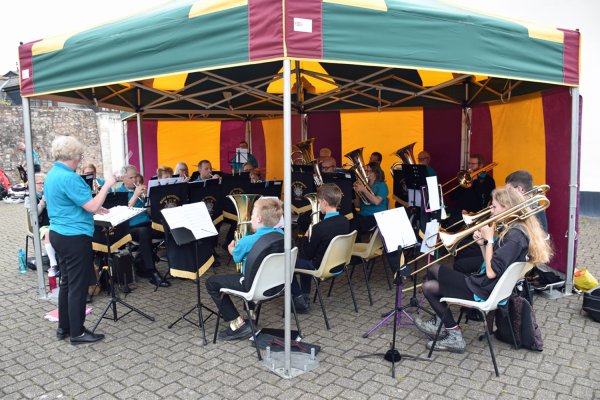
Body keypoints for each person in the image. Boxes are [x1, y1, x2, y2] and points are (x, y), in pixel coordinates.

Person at [414, 186, 553, 353]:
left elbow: (491, 272)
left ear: (507, 207)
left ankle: (449, 331)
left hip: (484, 289)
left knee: (432, 272)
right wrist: (483, 244)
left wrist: (490, 241)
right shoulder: (514, 229)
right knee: (431, 283)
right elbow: (492, 262)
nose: (491, 210)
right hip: (485, 284)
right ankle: (445, 324)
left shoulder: (515, 236)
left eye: (494, 206)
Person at [45, 135, 117, 344]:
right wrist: (108, 184)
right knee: (77, 285)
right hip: (74, 236)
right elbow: (92, 206)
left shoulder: (53, 174)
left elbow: (75, 203)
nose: (80, 160)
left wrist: (94, 206)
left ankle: (64, 327)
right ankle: (77, 332)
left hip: (59, 233)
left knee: (67, 282)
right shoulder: (70, 177)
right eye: (79, 156)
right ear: (74, 156)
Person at [206, 198, 284, 340]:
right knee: (250, 271)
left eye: (252, 215)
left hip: (254, 288)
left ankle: (237, 324)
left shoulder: (247, 241)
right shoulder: (283, 235)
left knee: (211, 282)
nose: (250, 218)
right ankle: (251, 315)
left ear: (259, 218)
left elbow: (236, 258)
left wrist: (230, 249)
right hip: (277, 286)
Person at [291, 184, 350, 312]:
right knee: (303, 262)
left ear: (324, 202)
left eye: (318, 202)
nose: (318, 205)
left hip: (321, 267)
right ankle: (305, 295)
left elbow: (306, 253)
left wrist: (306, 237)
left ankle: (299, 298)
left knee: (287, 263)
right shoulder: (345, 221)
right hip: (339, 265)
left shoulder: (319, 228)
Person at [116, 165, 169, 287]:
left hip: (147, 223)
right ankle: (152, 272)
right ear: (123, 178)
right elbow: (121, 214)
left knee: (168, 228)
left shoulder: (141, 189)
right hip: (130, 227)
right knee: (144, 232)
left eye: (136, 177)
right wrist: (135, 196)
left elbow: (150, 213)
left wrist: (149, 201)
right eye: (131, 178)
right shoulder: (118, 193)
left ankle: (177, 265)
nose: (134, 180)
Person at [24, 173, 58, 272]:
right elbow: (34, 214)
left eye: (44, 183)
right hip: (40, 225)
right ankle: (53, 263)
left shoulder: (49, 193)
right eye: (39, 183)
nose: (42, 185)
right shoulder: (29, 198)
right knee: (48, 233)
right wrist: (43, 201)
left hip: (54, 222)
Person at [353, 162, 389, 236]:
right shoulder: (365, 185)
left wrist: (364, 190)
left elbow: (376, 202)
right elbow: (357, 205)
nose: (366, 173)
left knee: (355, 226)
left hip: (375, 216)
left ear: (376, 172)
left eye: (369, 171)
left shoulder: (382, 185)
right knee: (350, 222)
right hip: (362, 214)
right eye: (366, 171)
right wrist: (356, 192)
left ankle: (356, 245)